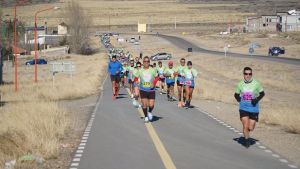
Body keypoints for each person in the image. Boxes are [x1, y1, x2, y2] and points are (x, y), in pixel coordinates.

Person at [234, 67, 265, 148]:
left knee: (250, 128)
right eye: (246, 74)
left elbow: (262, 93)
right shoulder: (240, 84)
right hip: (243, 107)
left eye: (249, 74)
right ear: (243, 74)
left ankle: (247, 134)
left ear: (251, 74)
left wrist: (256, 99)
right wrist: (239, 99)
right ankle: (247, 140)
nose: (248, 75)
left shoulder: (256, 83)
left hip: (254, 108)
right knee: (245, 125)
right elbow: (236, 94)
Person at [134, 56, 159, 122]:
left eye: (148, 61)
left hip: (151, 90)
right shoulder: (140, 70)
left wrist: (154, 83)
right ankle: (146, 117)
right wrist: (136, 81)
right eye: (145, 61)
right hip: (143, 90)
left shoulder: (152, 70)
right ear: (143, 62)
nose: (146, 63)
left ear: (149, 62)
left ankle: (150, 112)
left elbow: (157, 77)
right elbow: (136, 78)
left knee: (151, 105)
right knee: (144, 105)